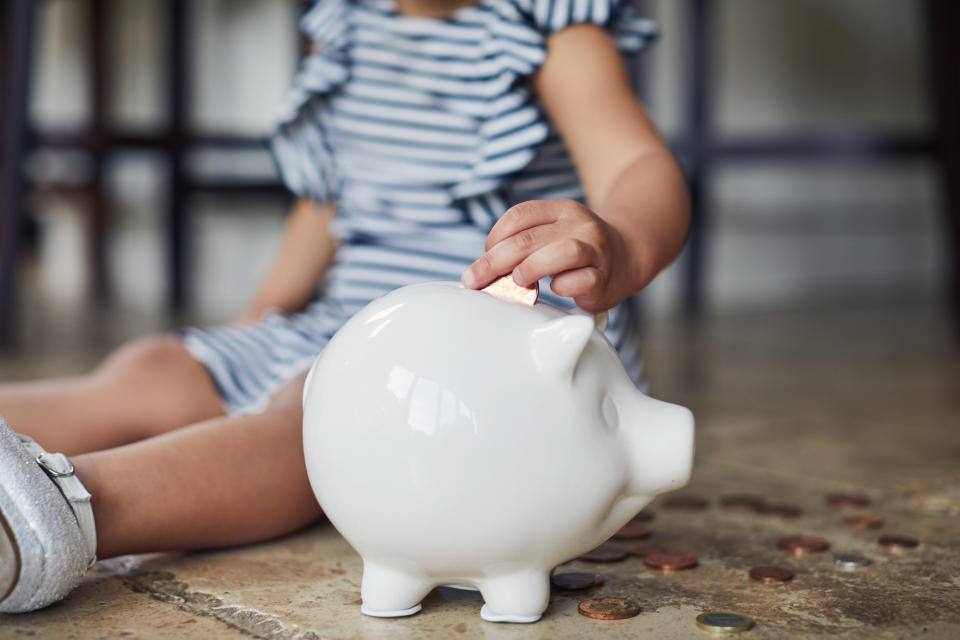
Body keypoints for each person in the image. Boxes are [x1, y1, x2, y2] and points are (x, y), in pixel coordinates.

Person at [0, 0, 689, 613]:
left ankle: (60, 511)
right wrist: (256, 328)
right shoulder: (348, 23)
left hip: (492, 362)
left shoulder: (548, 25)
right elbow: (330, 201)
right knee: (157, 369)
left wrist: (620, 245)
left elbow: (638, 166)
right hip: (346, 321)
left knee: (308, 415)